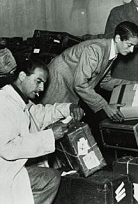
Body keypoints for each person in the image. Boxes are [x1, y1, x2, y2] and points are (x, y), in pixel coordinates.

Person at [0, 57, 84, 204]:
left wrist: (68, 108)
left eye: (43, 83)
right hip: (5, 172)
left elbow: (42, 113)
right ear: (22, 76)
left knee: (51, 175)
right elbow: (7, 148)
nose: (41, 89)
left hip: (12, 168)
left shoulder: (20, 102)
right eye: (38, 81)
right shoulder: (4, 103)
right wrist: (50, 136)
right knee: (50, 178)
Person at [41, 21, 138, 122]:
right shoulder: (95, 50)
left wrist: (135, 85)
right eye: (129, 45)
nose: (132, 50)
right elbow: (80, 84)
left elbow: (105, 82)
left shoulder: (110, 52)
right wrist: (105, 106)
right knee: (50, 121)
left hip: (69, 85)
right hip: (58, 84)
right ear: (117, 38)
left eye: (134, 46)